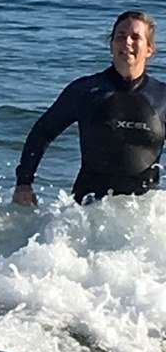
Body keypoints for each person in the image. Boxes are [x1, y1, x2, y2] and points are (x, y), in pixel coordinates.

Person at [13, 11, 166, 206]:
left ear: (149, 49)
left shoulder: (162, 97)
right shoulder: (86, 91)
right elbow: (42, 132)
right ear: (111, 44)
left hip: (144, 215)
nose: (127, 42)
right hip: (87, 211)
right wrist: (24, 183)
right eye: (120, 37)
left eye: (135, 37)